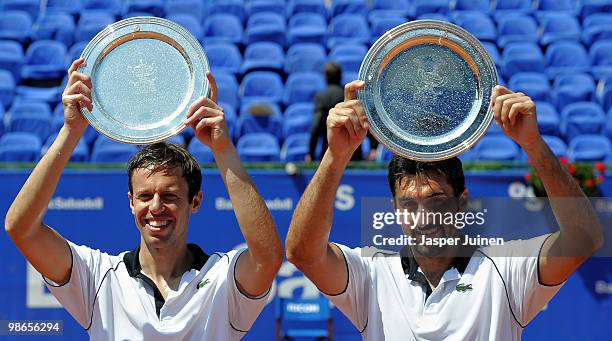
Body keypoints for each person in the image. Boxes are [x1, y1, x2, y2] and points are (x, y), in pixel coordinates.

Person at [285, 80, 604, 340]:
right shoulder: (372, 274)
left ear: (462, 201)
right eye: (409, 204)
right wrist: (335, 156)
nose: (423, 218)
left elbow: (584, 240)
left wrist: (533, 145)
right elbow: (302, 252)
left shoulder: (505, 272)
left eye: (437, 201)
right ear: (395, 209)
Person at [4, 58, 284, 340]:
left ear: (195, 202)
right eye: (145, 196)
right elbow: (21, 228)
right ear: (131, 202)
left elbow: (268, 257)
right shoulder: (99, 277)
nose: (156, 207)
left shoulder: (222, 278)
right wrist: (70, 131)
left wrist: (222, 148)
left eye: (170, 195)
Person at [307, 63, 377, 162]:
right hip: (354, 153)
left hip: (330, 150)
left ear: (325, 77)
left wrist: (311, 152)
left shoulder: (321, 96)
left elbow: (316, 125)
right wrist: (373, 147)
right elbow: (363, 121)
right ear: (340, 76)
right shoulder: (350, 96)